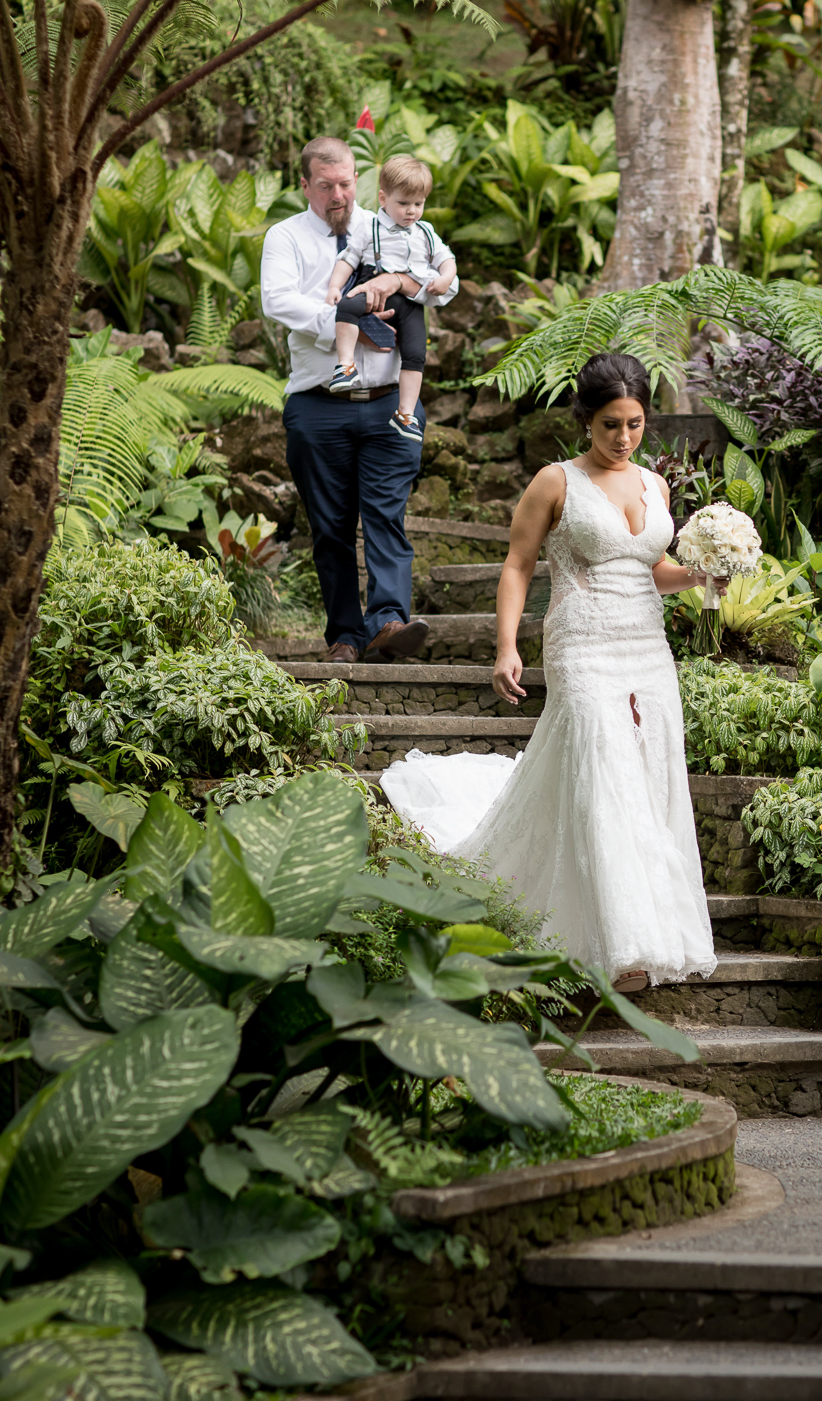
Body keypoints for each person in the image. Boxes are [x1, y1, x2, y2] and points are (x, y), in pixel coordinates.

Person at [380, 352, 723, 989]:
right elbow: (517, 566)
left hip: (646, 644)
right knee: (602, 766)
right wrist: (505, 646)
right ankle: (619, 945)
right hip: (581, 641)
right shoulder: (554, 481)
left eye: (636, 425)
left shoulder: (656, 485)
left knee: (648, 772)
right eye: (610, 426)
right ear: (585, 422)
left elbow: (653, 572)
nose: (623, 439)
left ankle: (646, 928)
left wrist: (703, 575)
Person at [260, 135, 459, 664]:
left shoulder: (391, 225)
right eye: (325, 186)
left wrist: (399, 278)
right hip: (318, 404)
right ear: (305, 185)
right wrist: (351, 321)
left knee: (386, 515)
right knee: (329, 526)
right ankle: (345, 636)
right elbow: (278, 300)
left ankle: (389, 621)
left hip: (391, 399)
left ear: (359, 180)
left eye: (346, 183)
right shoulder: (285, 238)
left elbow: (447, 282)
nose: (338, 195)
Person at [326, 154, 457, 447]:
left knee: (415, 352)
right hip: (372, 287)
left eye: (418, 204)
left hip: (409, 301)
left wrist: (445, 277)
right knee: (346, 306)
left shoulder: (426, 232)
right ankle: (345, 365)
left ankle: (405, 413)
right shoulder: (369, 227)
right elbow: (347, 259)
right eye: (404, 204)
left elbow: (447, 260)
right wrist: (335, 286)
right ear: (383, 198)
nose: (411, 211)